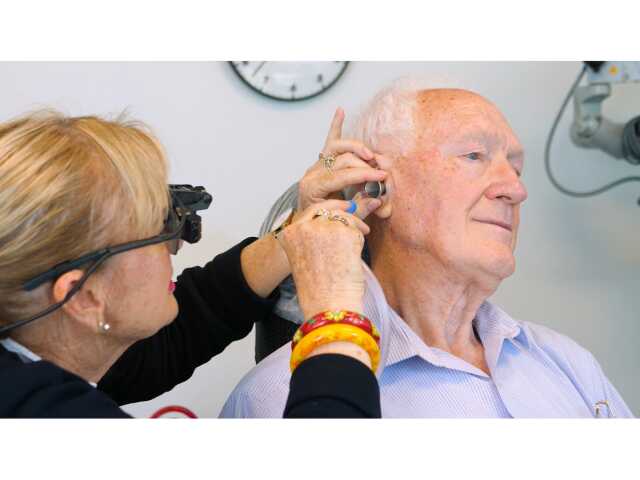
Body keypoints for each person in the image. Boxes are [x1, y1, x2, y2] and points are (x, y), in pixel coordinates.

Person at [220, 81, 634, 418]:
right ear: (375, 186)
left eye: (517, 168)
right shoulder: (279, 397)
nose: (516, 189)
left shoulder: (569, 363)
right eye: (474, 155)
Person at [0, 109, 385, 418]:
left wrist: (295, 235)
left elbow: (176, 334)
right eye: (162, 227)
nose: (178, 245)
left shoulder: (34, 348)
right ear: (82, 297)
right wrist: (335, 313)